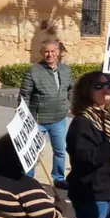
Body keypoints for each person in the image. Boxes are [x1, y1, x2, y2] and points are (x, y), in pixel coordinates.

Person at [65, 71, 110, 218]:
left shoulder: (109, 118)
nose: (106, 89)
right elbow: (84, 158)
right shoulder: (82, 122)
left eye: (108, 85)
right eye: (99, 86)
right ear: (87, 92)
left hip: (109, 188)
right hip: (91, 191)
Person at [19, 38, 73, 189]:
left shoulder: (65, 70)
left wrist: (70, 103)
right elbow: (24, 95)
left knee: (60, 151)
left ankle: (59, 178)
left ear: (58, 52)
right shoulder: (33, 71)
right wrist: (24, 117)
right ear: (42, 53)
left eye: (52, 51)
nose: (49, 54)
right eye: (46, 52)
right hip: (37, 119)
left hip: (59, 119)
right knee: (32, 152)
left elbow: (70, 88)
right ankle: (27, 180)